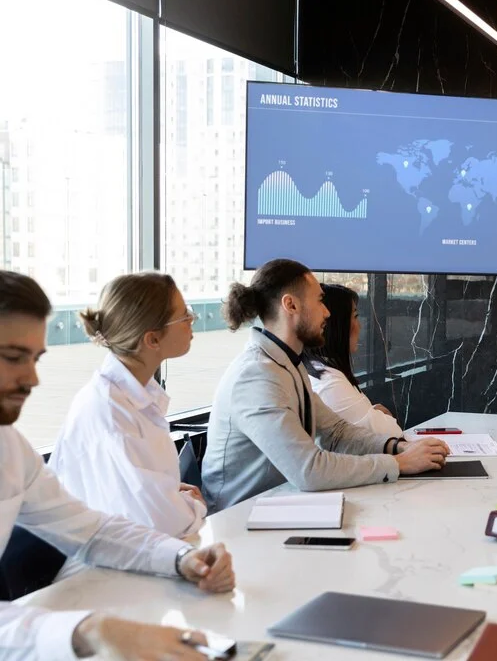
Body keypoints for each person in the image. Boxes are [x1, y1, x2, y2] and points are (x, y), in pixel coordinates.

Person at [0, 269, 236, 660]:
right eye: (13, 358)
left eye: (36, 358)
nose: (32, 379)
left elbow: (91, 531)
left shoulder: (9, 445)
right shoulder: (105, 410)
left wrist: (179, 558)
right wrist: (89, 630)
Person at [201, 259, 449, 512]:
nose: (327, 312)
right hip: (238, 525)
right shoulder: (256, 376)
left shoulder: (288, 363)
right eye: (319, 300)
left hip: (277, 508)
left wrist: (399, 446)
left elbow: (337, 433)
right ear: (291, 305)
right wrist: (398, 463)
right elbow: (309, 470)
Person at [49, 273, 206, 541]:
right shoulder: (112, 412)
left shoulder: (134, 396)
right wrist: (193, 505)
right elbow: (165, 523)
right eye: (184, 315)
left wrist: (171, 499)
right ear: (152, 340)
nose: (193, 319)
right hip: (100, 570)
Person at [304, 284, 403, 437]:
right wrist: (378, 415)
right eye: (355, 316)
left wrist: (374, 414)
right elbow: (392, 434)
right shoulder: (330, 384)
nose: (360, 325)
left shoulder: (318, 371)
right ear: (336, 324)